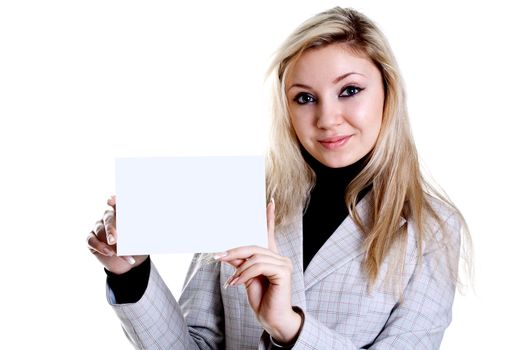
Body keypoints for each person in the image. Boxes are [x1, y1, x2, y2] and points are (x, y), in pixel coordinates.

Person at [87, 6, 470, 349]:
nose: (327, 118)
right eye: (304, 97)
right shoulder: (240, 197)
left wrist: (289, 327)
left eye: (350, 90)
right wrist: (130, 272)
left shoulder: (432, 230)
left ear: (388, 91)